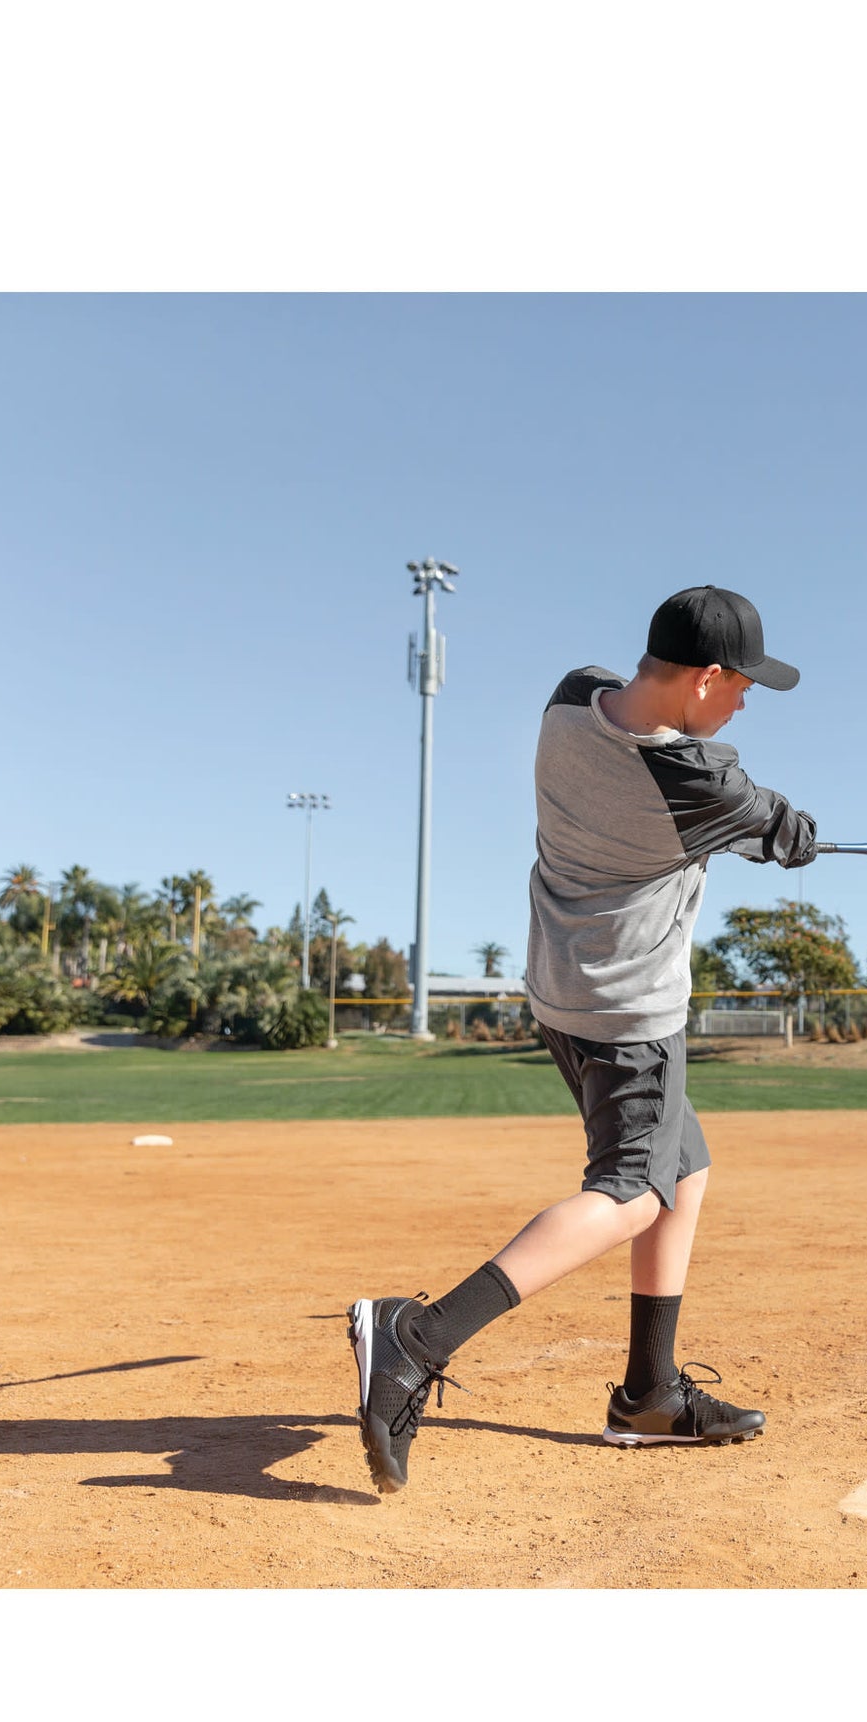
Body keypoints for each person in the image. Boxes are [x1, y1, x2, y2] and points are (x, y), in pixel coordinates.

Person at [347, 585, 817, 1493]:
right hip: (630, 1013)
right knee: (634, 1194)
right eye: (742, 684)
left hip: (560, 991)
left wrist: (764, 820)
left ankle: (651, 1394)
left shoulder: (570, 699)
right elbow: (764, 818)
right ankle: (417, 1337)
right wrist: (792, 836)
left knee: (685, 1171)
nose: (747, 701)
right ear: (706, 676)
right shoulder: (700, 784)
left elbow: (689, 757)